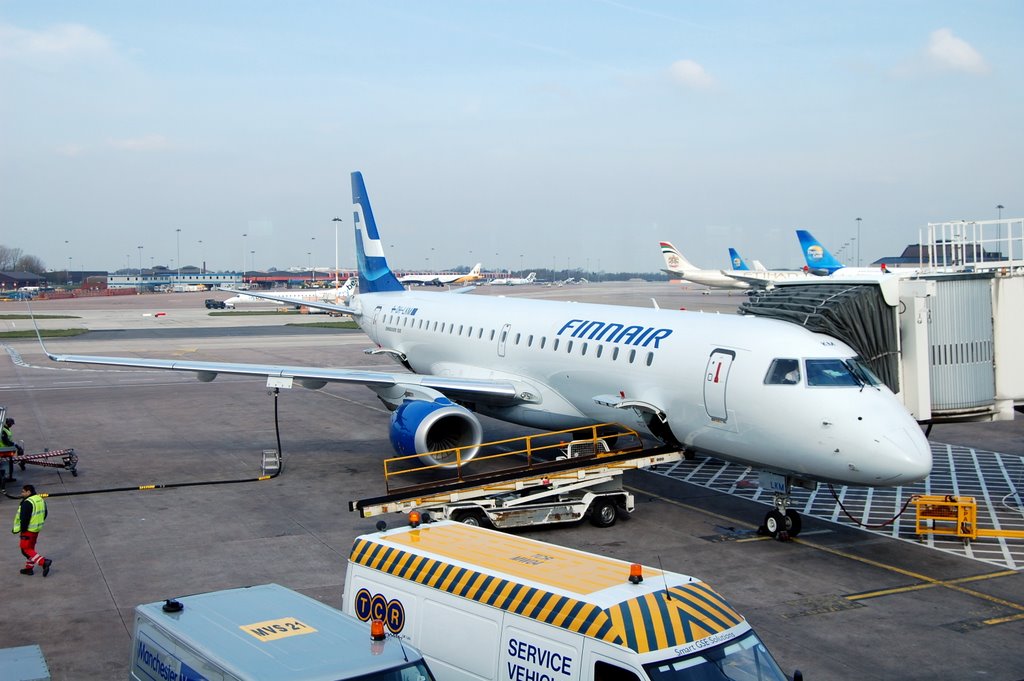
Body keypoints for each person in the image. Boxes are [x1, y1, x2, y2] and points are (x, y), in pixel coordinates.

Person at [12, 484, 52, 577]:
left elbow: (24, 518)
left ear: (28, 492)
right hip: (36, 529)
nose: (21, 493)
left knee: (25, 550)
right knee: (30, 549)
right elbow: (45, 513)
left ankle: (44, 562)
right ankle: (29, 569)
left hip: (28, 530)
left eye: (23, 491)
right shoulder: (40, 499)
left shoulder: (27, 502)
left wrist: (23, 529)